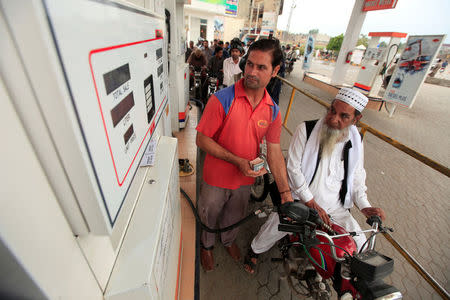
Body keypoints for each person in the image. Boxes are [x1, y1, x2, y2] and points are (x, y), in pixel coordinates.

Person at [244, 88, 386, 274]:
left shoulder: (356, 140)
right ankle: (254, 250)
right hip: (302, 201)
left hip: (336, 208)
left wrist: (365, 206)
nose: (334, 119)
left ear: (356, 119)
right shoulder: (307, 130)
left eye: (344, 116)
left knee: (360, 244)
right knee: (276, 226)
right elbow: (293, 169)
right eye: (332, 111)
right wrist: (310, 201)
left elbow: (357, 177)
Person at [196, 39, 294, 272]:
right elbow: (201, 140)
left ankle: (228, 241)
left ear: (275, 70)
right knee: (208, 213)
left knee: (235, 215)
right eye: (249, 64)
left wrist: (285, 193)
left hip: (244, 179)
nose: (251, 71)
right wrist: (237, 160)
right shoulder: (222, 99)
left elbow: (274, 152)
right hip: (215, 177)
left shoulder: (273, 111)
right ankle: (206, 246)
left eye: (261, 67)